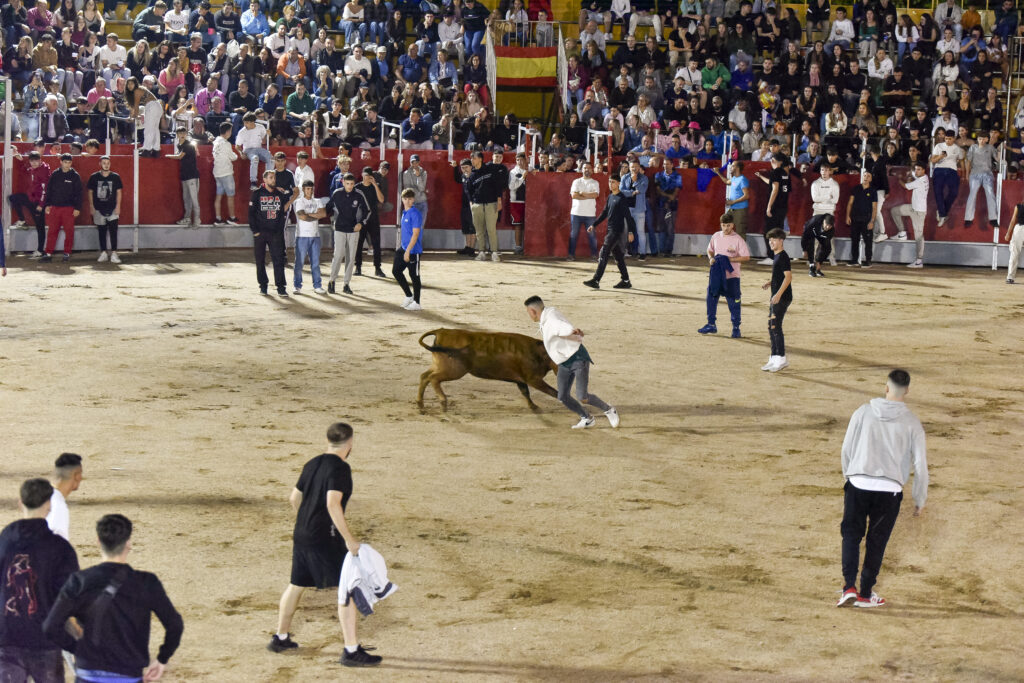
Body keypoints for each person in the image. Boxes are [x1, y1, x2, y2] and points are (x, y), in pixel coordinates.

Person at [267, 423, 382, 667]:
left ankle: (280, 637)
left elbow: (293, 498)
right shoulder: (340, 468)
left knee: (296, 584)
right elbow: (333, 503)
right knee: (348, 589)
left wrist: (307, 520)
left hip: (302, 533)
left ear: (327, 440)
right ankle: (351, 651)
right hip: (324, 539)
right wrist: (349, 539)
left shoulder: (312, 463)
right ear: (350, 443)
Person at [42, 513, 183, 680]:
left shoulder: (78, 581)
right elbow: (175, 625)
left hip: (88, 674)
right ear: (128, 544)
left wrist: (78, 649)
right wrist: (162, 659)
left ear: (98, 542)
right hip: (128, 675)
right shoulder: (147, 583)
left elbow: (51, 627)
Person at [837, 369, 928, 608]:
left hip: (858, 484)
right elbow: (920, 465)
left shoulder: (863, 412)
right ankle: (866, 593)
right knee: (877, 541)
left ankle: (848, 587)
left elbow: (846, 449)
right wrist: (919, 498)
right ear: (907, 391)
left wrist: (850, 477)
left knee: (851, 535)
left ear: (886, 387)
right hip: (889, 491)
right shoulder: (912, 423)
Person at [0, 478, 80, 683]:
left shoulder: (4, 540)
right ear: (49, 505)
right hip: (44, 640)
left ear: (20, 503)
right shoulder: (60, 548)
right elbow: (70, 598)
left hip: (7, 637)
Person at [524, 295, 620, 430]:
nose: (529, 315)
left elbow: (563, 326)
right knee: (562, 396)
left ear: (533, 311)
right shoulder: (549, 313)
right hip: (563, 363)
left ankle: (609, 410)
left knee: (583, 397)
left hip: (577, 359)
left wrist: (572, 331)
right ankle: (587, 418)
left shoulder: (551, 320)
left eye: (528, 312)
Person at [699, 212, 750, 338]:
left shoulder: (738, 239)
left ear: (733, 225)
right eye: (723, 225)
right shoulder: (716, 236)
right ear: (720, 225)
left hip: (732, 276)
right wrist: (711, 258)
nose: (726, 228)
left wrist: (729, 260)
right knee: (711, 298)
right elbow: (710, 249)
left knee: (734, 302)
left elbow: (746, 257)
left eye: (728, 225)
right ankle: (711, 324)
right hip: (716, 275)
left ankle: (736, 327)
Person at [583, 173, 636, 291]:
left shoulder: (622, 199)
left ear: (618, 183)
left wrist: (631, 232)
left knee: (604, 253)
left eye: (613, 182)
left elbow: (628, 216)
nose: (610, 184)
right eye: (609, 182)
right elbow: (604, 213)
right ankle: (626, 280)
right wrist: (594, 224)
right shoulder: (610, 197)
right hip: (610, 230)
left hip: (616, 231)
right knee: (618, 256)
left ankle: (596, 280)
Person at [248, 169, 291, 296]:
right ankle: (263, 286)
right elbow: (250, 214)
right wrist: (255, 231)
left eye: (274, 178)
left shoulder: (280, 193)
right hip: (260, 233)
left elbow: (283, 211)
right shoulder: (257, 194)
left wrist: (279, 230)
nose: (273, 180)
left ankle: (281, 287)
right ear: (265, 180)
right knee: (260, 260)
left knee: (278, 260)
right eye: (271, 177)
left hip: (275, 234)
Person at [328, 173, 369, 295]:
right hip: (340, 228)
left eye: (352, 184)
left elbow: (368, 211)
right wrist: (332, 221)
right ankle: (331, 281)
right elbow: (329, 207)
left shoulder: (359, 194)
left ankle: (346, 284)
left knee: (351, 258)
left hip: (353, 229)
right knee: (338, 255)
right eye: (347, 184)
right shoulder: (337, 193)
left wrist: (361, 223)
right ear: (343, 182)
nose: (350, 186)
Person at [9, 149, 52, 258]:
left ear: (40, 160)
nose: (33, 163)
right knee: (13, 198)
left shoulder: (44, 171)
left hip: (38, 203)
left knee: (40, 227)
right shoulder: (32, 167)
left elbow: (45, 190)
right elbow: (25, 169)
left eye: (36, 161)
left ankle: (40, 250)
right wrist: (21, 159)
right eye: (32, 161)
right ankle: (22, 220)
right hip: (30, 199)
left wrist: (41, 205)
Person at [40, 153, 83, 263]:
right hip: (55, 207)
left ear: (71, 163)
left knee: (69, 232)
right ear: (61, 162)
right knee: (52, 231)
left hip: (69, 208)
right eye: (65, 162)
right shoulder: (55, 174)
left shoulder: (75, 175)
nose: (67, 164)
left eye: (69, 162)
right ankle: (48, 253)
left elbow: (79, 193)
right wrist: (48, 205)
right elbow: (49, 190)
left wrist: (77, 208)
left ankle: (66, 253)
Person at [761, 228, 792, 372]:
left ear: (781, 241)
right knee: (771, 326)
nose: (771, 242)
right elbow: (779, 275)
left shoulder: (783, 257)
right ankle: (773, 357)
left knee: (775, 326)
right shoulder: (777, 256)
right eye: (770, 240)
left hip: (782, 297)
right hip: (777, 296)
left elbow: (788, 277)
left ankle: (781, 358)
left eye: (774, 239)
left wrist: (778, 294)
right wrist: (771, 282)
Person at [888, 162, 929, 268]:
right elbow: (914, 175)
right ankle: (902, 233)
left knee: (919, 236)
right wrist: (911, 173)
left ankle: (919, 261)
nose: (917, 171)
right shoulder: (924, 177)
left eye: (919, 169)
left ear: (924, 170)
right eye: (916, 169)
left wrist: (899, 178)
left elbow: (905, 186)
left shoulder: (920, 181)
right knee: (894, 211)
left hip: (919, 212)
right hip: (913, 208)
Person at [466, 151, 505, 262]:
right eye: (471, 158)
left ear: (480, 159)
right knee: (479, 230)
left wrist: (499, 200)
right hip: (477, 205)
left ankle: (494, 253)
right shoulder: (472, 174)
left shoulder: (490, 170)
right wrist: (471, 203)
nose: (472, 160)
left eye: (474, 158)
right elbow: (469, 190)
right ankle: (481, 252)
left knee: (491, 229)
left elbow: (498, 186)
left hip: (491, 203)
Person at [801, 164, 840, 277]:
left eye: (826, 170)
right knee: (814, 240)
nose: (824, 172)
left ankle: (822, 263)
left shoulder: (834, 184)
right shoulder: (815, 184)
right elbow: (815, 199)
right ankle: (812, 264)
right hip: (818, 213)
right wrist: (828, 197)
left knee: (827, 241)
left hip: (829, 213)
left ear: (830, 172)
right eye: (822, 170)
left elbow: (836, 199)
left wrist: (823, 199)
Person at [755, 154, 792, 264]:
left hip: (775, 207)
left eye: (773, 160)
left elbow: (775, 189)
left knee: (769, 231)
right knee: (778, 232)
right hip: (783, 208)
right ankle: (778, 256)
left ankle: (771, 257)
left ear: (779, 162)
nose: (771, 161)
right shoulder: (785, 174)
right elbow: (774, 184)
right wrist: (761, 177)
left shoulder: (776, 172)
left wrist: (769, 206)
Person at [87, 156, 123, 264]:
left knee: (113, 231)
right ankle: (103, 252)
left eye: (108, 163)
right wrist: (92, 206)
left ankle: (114, 253)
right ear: (100, 164)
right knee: (101, 231)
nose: (106, 165)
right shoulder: (94, 177)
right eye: (104, 163)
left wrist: (118, 206)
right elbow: (90, 192)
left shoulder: (115, 177)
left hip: (112, 208)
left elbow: (119, 192)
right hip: (99, 208)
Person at [293, 180, 327, 295]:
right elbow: (302, 216)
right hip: (302, 235)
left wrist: (309, 215)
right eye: (307, 189)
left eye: (311, 189)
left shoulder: (317, 201)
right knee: (299, 262)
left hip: (315, 235)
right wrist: (315, 215)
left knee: (316, 263)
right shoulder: (299, 201)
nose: (310, 191)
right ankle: (297, 286)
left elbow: (323, 214)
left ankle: (317, 286)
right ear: (303, 189)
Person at [394, 188, 423, 311]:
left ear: (413, 200)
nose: (407, 201)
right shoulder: (404, 212)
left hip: (413, 250)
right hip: (403, 248)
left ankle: (417, 302)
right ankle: (409, 296)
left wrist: (408, 251)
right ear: (402, 199)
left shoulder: (415, 213)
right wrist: (403, 249)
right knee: (396, 271)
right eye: (405, 199)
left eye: (410, 199)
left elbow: (415, 234)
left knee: (414, 276)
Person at [963, 130, 999, 230]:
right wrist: (967, 174)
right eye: (979, 139)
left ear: (987, 139)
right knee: (972, 194)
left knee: (990, 194)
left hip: (987, 174)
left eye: (983, 139)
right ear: (977, 139)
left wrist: (1000, 149)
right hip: (974, 174)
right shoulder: (973, 147)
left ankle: (993, 219)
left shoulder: (990, 147)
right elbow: (968, 161)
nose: (981, 141)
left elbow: (997, 158)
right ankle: (968, 219)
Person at [166, 126, 201, 228]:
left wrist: (168, 156)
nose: (182, 135)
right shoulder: (180, 145)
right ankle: (187, 218)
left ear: (186, 134)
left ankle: (197, 220)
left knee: (194, 199)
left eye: (183, 133)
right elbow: (179, 155)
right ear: (177, 135)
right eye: (180, 133)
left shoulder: (188, 145)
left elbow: (179, 156)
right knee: (186, 199)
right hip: (185, 175)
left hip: (192, 175)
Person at [354, 167, 386, 279]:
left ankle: (377, 267)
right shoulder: (357, 187)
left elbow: (382, 199)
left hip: (373, 218)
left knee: (376, 243)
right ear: (362, 175)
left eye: (369, 175)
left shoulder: (375, 186)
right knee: (358, 243)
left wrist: (375, 185)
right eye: (366, 175)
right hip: (361, 219)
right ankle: (358, 266)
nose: (367, 177)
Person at [928, 128, 963, 227]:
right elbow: (933, 160)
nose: (948, 141)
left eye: (950, 139)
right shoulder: (939, 146)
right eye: (946, 138)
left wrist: (964, 174)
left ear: (954, 138)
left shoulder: (957, 148)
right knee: (938, 191)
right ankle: (943, 215)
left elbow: (962, 161)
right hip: (939, 169)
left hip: (952, 170)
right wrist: (940, 157)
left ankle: (941, 211)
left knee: (954, 192)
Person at [567, 161, 600, 261]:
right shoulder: (576, 181)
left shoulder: (595, 182)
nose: (587, 170)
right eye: (585, 168)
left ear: (592, 170)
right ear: (582, 169)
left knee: (592, 236)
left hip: (590, 213)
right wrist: (588, 195)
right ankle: (571, 255)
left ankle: (594, 255)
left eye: (589, 168)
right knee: (573, 235)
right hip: (576, 213)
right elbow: (574, 196)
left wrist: (582, 193)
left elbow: (595, 195)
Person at [846, 170, 877, 268]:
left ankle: (868, 261)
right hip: (855, 218)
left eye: (868, 176)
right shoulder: (856, 188)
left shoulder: (873, 191)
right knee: (854, 240)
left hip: (867, 219)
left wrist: (872, 221)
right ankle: (854, 260)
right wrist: (848, 216)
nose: (866, 177)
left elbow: (874, 207)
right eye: (864, 175)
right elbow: (850, 203)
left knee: (868, 241)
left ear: (871, 179)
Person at [714, 162, 750, 242]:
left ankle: (742, 253)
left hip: (740, 209)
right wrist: (718, 173)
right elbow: (727, 182)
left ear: (737, 168)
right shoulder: (734, 178)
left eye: (733, 166)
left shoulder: (742, 179)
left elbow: (746, 195)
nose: (731, 167)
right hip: (733, 208)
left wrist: (733, 202)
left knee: (740, 231)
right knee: (724, 223)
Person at [212, 121, 239, 226]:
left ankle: (218, 219)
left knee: (218, 196)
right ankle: (232, 218)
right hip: (226, 173)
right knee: (230, 196)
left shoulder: (216, 141)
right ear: (228, 132)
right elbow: (233, 157)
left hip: (217, 173)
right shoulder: (226, 144)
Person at [236, 112, 273, 191]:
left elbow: (264, 140)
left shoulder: (260, 127)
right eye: (244, 122)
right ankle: (253, 183)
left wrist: (268, 135)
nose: (245, 124)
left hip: (259, 149)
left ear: (252, 122)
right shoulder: (242, 132)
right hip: (248, 150)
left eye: (246, 122)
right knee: (255, 158)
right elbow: (237, 146)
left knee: (271, 158)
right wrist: (241, 153)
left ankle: (268, 181)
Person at [652, 157, 681, 256]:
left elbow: (677, 190)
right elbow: (658, 190)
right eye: (664, 164)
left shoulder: (677, 176)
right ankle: (662, 250)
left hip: (672, 205)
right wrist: (670, 196)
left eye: (668, 164)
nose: (666, 166)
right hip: (661, 204)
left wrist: (670, 198)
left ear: (672, 165)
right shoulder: (658, 175)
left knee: (670, 228)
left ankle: (668, 251)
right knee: (662, 228)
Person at [401, 153, 428, 228]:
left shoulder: (424, 173)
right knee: (411, 226)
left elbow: (422, 188)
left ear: (419, 163)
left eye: (416, 162)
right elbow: (408, 190)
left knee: (420, 227)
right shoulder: (406, 173)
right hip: (411, 203)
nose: (414, 164)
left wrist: (418, 176)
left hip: (422, 202)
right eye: (413, 162)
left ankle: (418, 240)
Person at [1004, 202, 1024, 285]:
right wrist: (1008, 233)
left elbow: (1013, 220)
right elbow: (1013, 220)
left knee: (1014, 254)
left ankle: (1010, 277)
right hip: (1019, 229)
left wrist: (1008, 233)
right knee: (1014, 253)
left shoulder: (1018, 206)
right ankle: (1010, 277)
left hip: (1019, 229)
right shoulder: (1018, 206)